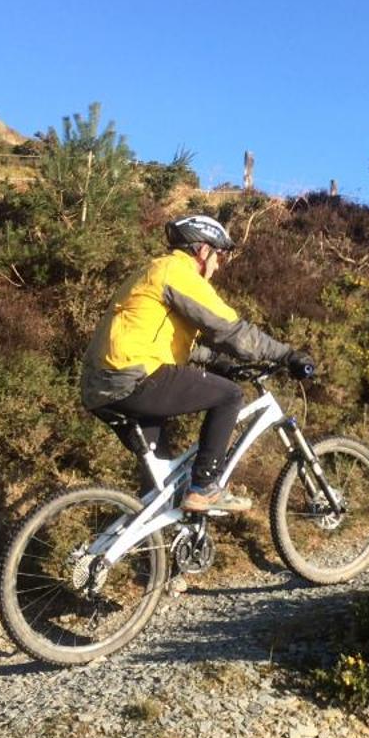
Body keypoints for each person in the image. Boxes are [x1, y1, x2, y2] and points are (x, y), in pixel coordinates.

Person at [81, 215, 314, 514]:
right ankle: (205, 487)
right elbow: (231, 331)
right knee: (229, 396)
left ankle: (152, 555)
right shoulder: (177, 272)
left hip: (100, 387)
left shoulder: (153, 270)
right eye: (219, 256)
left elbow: (176, 344)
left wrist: (223, 364)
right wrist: (287, 355)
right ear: (203, 251)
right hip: (133, 377)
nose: (218, 266)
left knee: (161, 485)